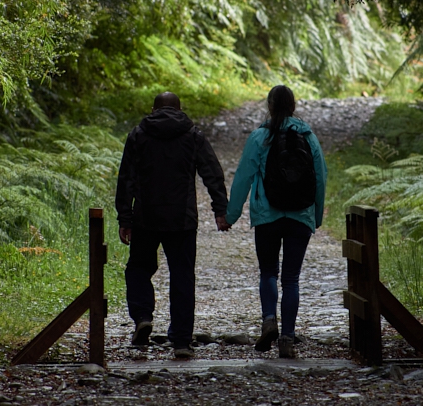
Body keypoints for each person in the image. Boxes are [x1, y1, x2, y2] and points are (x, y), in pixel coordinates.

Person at [115, 91, 230, 359]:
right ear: (180, 109)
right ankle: (180, 341)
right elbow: (212, 172)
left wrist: (125, 218)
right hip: (183, 220)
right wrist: (220, 210)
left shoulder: (138, 135)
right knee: (182, 277)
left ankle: (143, 316)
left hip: (146, 218)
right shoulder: (192, 135)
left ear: (153, 109)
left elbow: (126, 179)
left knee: (139, 270)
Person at [223, 85, 327, 358]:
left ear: (269, 106)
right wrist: (315, 217)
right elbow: (320, 178)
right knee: (291, 279)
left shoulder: (260, 137)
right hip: (300, 217)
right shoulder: (309, 136)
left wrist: (230, 216)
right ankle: (287, 339)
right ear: (293, 106)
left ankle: (269, 318)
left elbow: (243, 177)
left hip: (267, 216)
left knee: (269, 272)